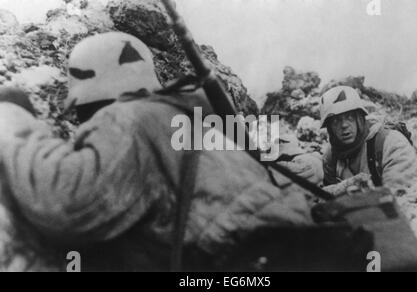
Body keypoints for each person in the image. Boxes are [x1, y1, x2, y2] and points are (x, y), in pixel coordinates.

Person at [0, 32, 315, 271]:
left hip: (239, 261)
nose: (82, 124)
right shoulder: (194, 119)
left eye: (80, 112)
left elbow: (65, 202)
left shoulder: (130, 117)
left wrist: (11, 119)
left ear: (92, 96)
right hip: (286, 252)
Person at [320, 86, 417, 193]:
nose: (344, 125)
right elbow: (326, 201)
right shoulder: (331, 157)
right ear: (329, 128)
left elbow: (403, 198)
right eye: (336, 121)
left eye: (349, 117)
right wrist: (345, 187)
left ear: (360, 118)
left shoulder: (391, 143)